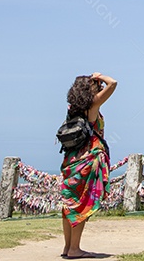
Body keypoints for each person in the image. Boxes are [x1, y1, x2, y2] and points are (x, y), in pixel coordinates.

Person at [60, 72, 117, 260]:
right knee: (81, 204)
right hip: (87, 159)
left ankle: (68, 247)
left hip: (70, 160)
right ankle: (75, 249)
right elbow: (113, 83)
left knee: (69, 204)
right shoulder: (93, 105)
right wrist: (100, 76)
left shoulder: (73, 109)